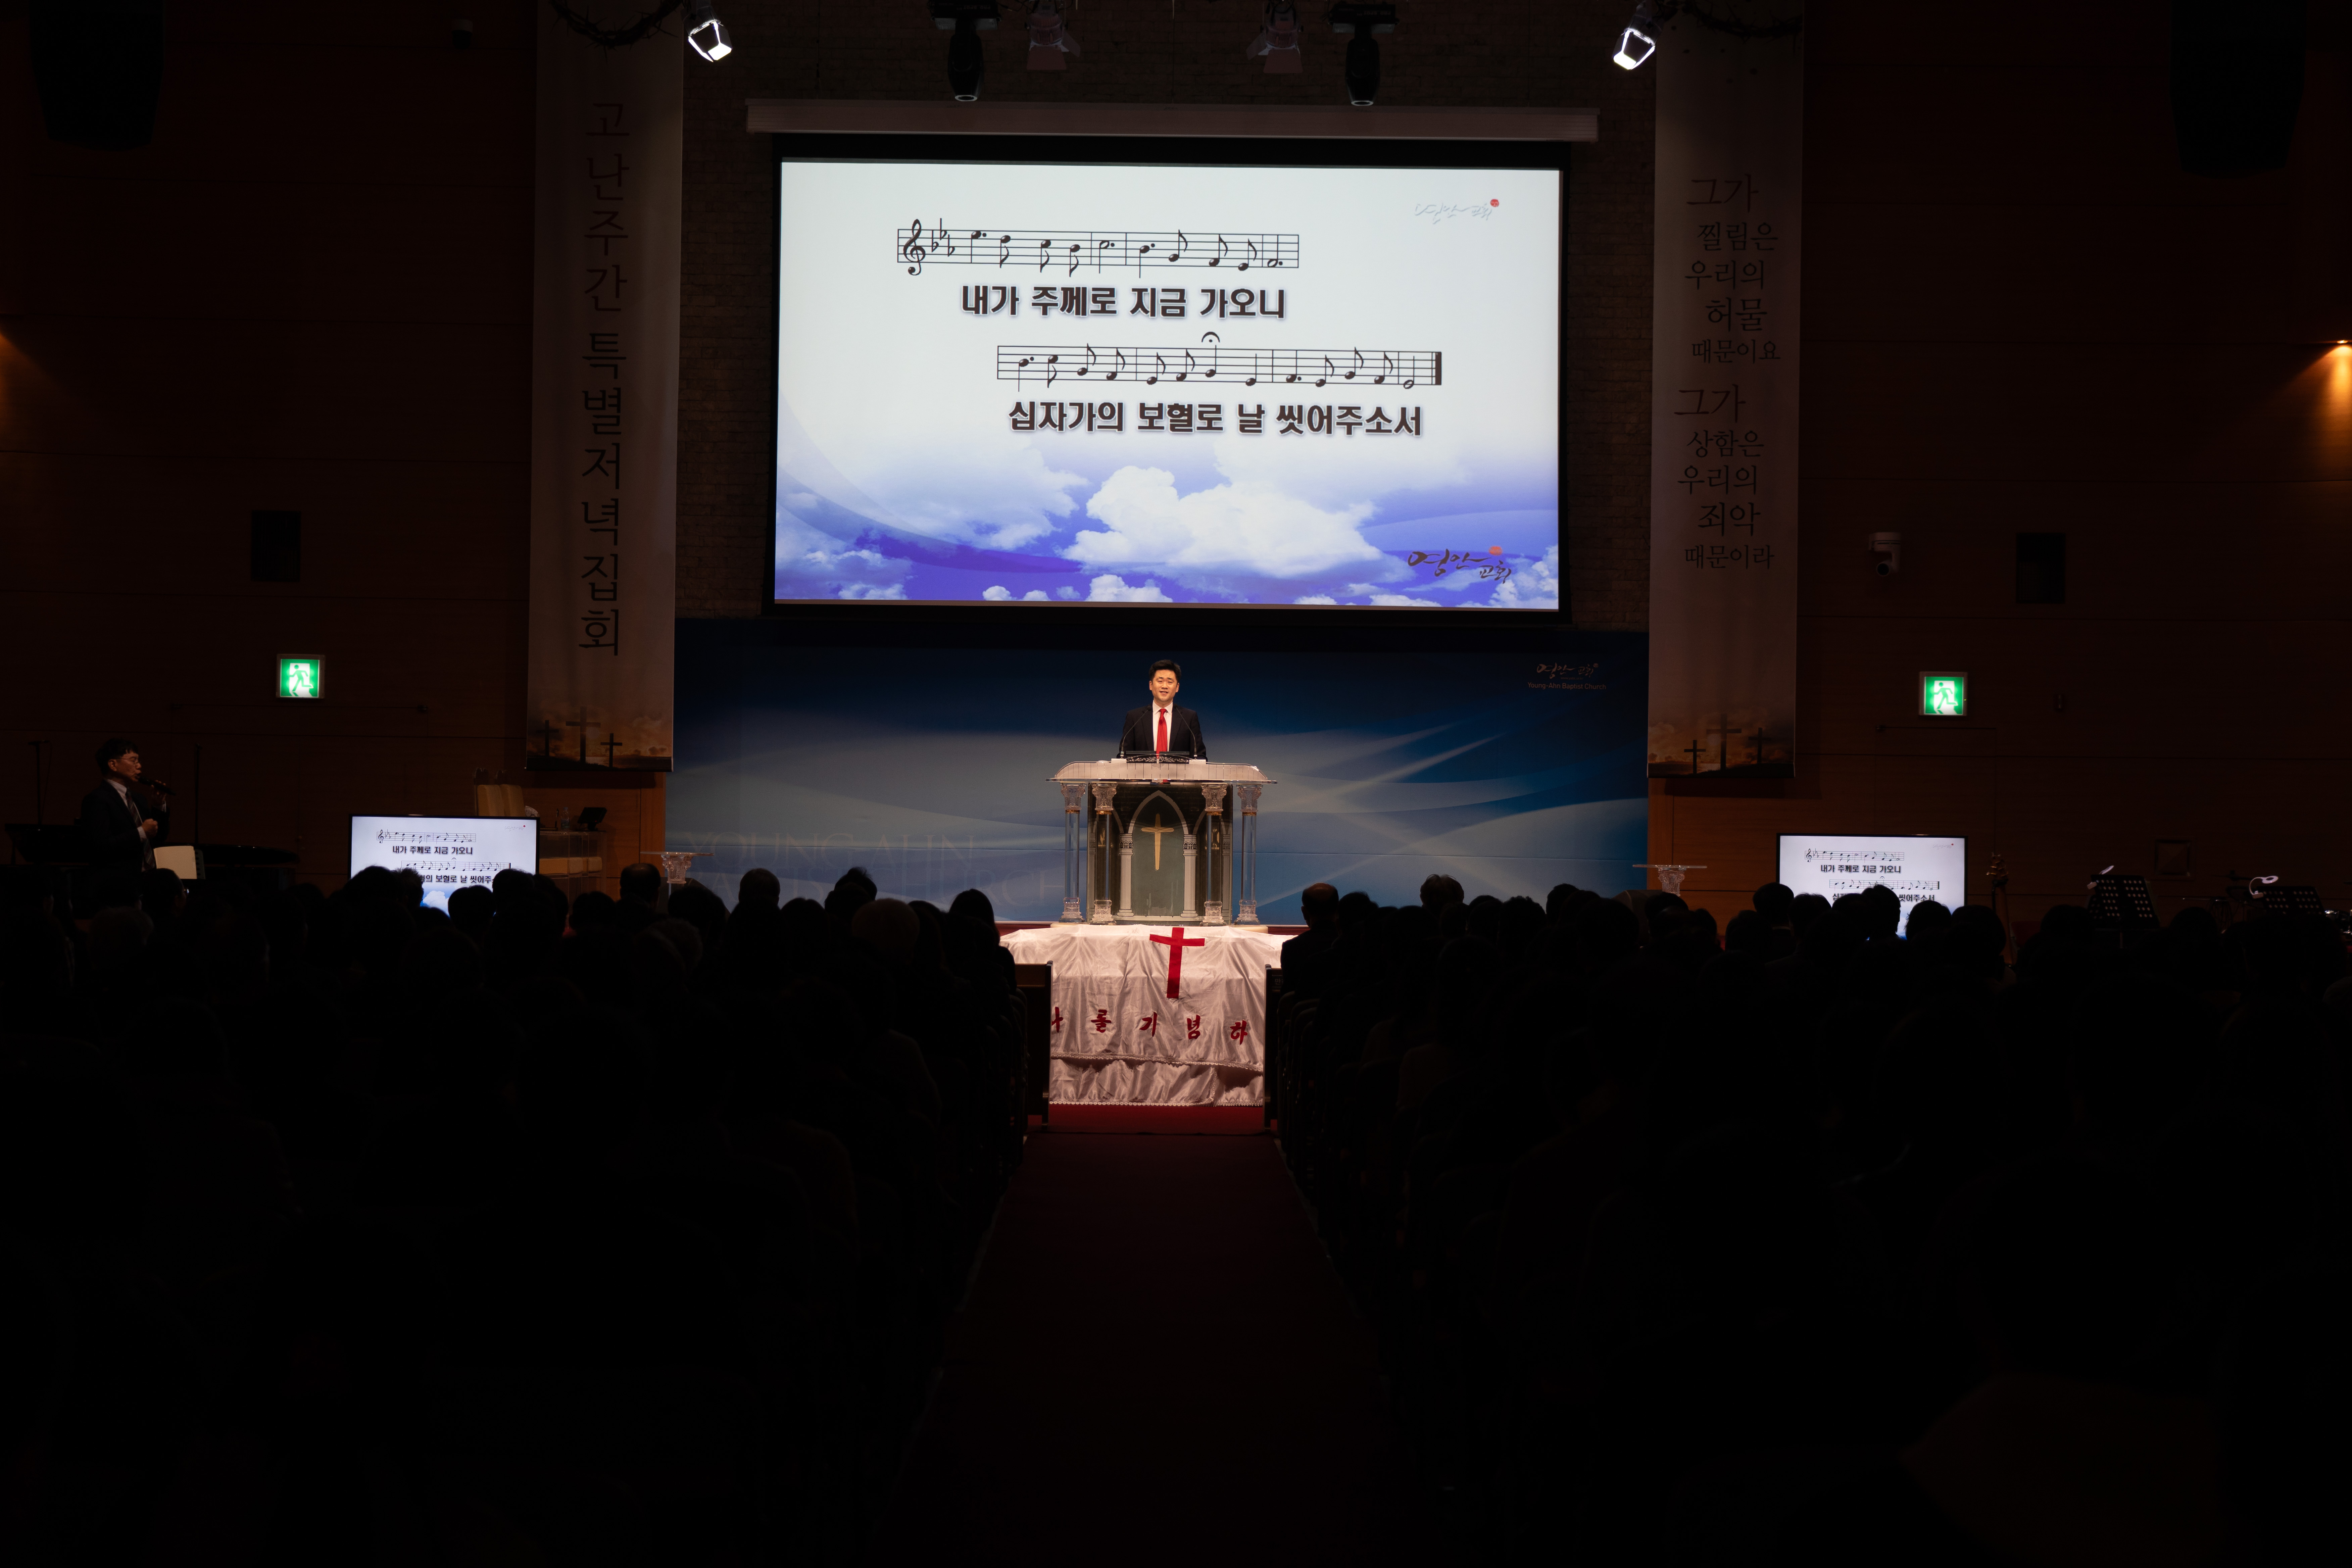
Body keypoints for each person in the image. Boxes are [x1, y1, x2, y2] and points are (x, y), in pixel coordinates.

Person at [79, 737, 165, 874]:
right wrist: (142, 833)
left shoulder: (139, 799)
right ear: (113, 765)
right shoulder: (97, 799)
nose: (139, 766)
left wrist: (158, 806)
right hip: (118, 879)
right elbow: (101, 846)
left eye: (138, 761)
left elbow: (159, 838)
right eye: (133, 761)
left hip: (148, 876)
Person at [1117, 660, 1207, 759]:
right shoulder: (1135, 717)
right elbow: (1124, 756)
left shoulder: (1189, 718)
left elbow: (1200, 756)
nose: (1165, 686)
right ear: (1151, 685)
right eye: (1160, 681)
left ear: (1177, 687)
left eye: (1170, 682)